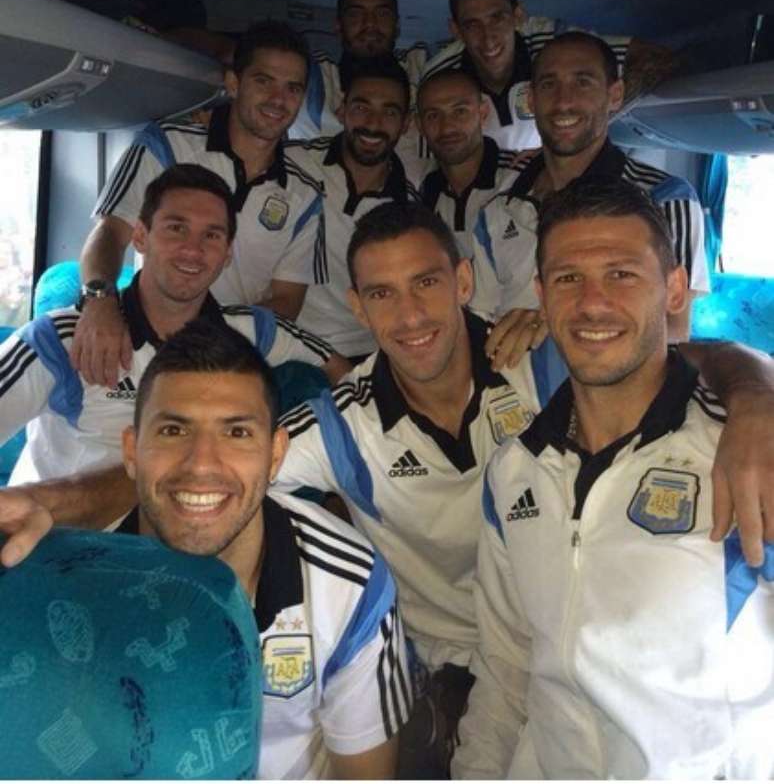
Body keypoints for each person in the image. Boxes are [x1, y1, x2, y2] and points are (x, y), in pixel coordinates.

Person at [3, 206, 773, 771]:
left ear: (464, 279)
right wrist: (49, 504)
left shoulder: (543, 360)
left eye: (428, 282)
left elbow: (651, 352)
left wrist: (755, 390)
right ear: (360, 308)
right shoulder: (343, 425)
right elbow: (201, 465)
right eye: (380, 294)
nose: (409, 315)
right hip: (453, 674)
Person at [454, 178, 774, 780]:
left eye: (622, 274)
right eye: (569, 278)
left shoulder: (744, 452)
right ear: (542, 297)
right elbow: (505, 666)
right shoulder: (514, 471)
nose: (593, 303)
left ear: (675, 289)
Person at [2, 319, 410, 779]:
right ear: (133, 453)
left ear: (276, 455)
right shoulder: (68, 578)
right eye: (174, 431)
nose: (201, 466)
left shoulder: (349, 586)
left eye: (237, 433)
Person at [0, 164, 348, 484]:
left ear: (227, 255)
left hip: (184, 535)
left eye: (211, 236)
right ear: (140, 237)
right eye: (176, 228)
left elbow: (340, 368)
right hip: (60, 540)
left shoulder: (249, 331)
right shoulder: (60, 341)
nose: (192, 250)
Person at [71, 19, 324, 388]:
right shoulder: (168, 145)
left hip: (227, 354)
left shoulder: (304, 197)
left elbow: (287, 300)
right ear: (234, 83)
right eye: (263, 80)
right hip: (143, 341)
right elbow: (111, 231)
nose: (278, 99)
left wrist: (216, 338)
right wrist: (99, 300)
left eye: (292, 88)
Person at [472, 30, 710, 363]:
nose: (564, 101)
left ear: (615, 95)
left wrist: (554, 326)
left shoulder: (666, 199)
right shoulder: (497, 210)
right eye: (549, 84)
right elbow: (480, 317)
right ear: (531, 100)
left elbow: (671, 331)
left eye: (583, 82)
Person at [422, 0, 671, 152]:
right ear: (455, 31)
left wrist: (591, 119)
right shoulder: (440, 76)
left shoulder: (554, 43)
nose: (488, 38)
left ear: (518, 15)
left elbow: (655, 57)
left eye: (497, 18)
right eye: (472, 25)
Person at [294, 55, 421, 358]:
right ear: (342, 110)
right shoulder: (292, 164)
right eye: (362, 108)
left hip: (371, 353)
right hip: (291, 343)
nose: (373, 124)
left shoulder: (411, 208)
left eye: (389, 113)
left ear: (405, 124)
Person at [288, 0, 428, 182]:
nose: (370, 24)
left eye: (382, 13)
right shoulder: (313, 78)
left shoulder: (425, 76)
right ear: (338, 25)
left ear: (397, 25)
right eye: (356, 14)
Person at [416, 68, 520, 258]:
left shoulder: (521, 178)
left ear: (483, 113)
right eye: (433, 115)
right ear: (420, 126)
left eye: (460, 111)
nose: (447, 127)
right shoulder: (425, 195)